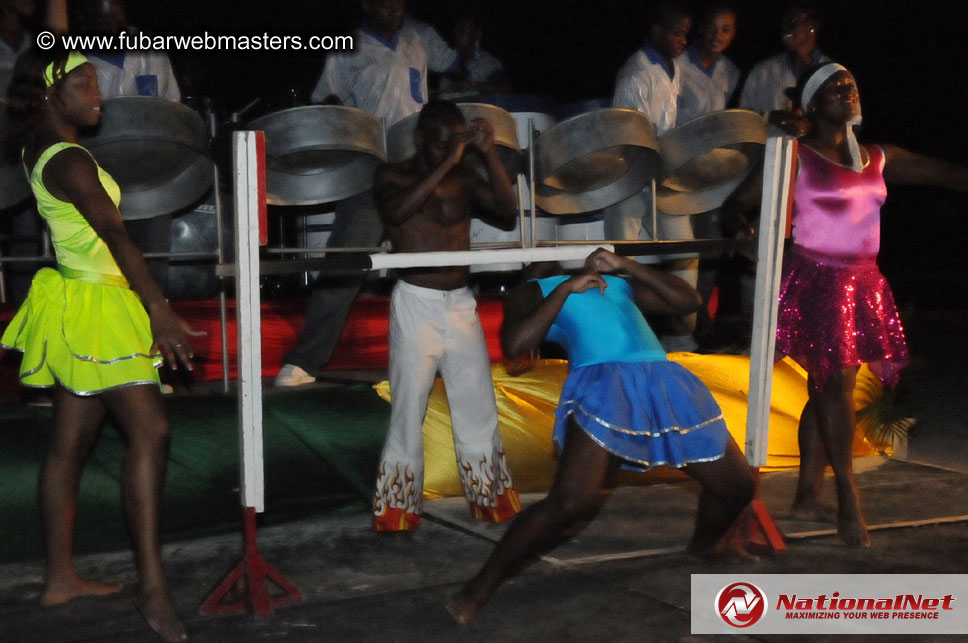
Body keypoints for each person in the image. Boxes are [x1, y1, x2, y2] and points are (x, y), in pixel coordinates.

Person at [722, 62, 968, 547]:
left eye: (851, 84)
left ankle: (807, 498)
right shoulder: (796, 155)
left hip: (863, 282)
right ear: (812, 105)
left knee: (826, 386)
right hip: (817, 278)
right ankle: (849, 499)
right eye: (834, 87)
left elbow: (947, 173)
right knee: (834, 387)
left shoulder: (879, 156)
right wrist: (741, 230)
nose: (846, 91)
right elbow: (735, 204)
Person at [1, 48, 201, 641]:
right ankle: (153, 588)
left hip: (74, 298)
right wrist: (158, 308)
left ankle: (60, 577)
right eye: (84, 83)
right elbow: (113, 232)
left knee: (69, 442)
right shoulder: (69, 161)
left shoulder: (42, 151)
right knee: (151, 432)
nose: (100, 93)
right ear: (49, 95)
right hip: (99, 304)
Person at [446, 247, 754, 623]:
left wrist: (625, 265)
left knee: (737, 484)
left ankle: (702, 549)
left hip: (662, 379)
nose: (550, 249)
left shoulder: (617, 283)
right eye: (540, 247)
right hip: (605, 387)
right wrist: (565, 291)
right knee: (572, 504)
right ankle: (475, 590)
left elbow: (687, 300)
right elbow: (515, 345)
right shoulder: (532, 289)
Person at [369, 99, 520, 531]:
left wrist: (488, 153)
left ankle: (489, 497)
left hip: (460, 304)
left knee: (477, 405)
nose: (447, 152)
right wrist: (447, 162)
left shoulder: (465, 178)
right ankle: (397, 509)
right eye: (438, 145)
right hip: (416, 301)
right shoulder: (390, 174)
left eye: (454, 144)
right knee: (408, 408)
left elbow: (509, 214)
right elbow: (397, 214)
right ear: (419, 139)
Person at [276, 0, 428, 387]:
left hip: (413, 167)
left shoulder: (414, 47)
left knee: (428, 260)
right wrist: (340, 113)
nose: (394, 8)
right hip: (370, 169)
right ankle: (306, 360)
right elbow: (327, 100)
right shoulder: (348, 47)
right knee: (346, 261)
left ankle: (429, 357)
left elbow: (421, 105)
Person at [607, 1, 699, 352]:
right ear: (657, 31)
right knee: (622, 259)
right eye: (677, 32)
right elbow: (631, 137)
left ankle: (681, 339)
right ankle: (621, 337)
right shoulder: (636, 73)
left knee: (685, 252)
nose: (683, 40)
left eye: (686, 34)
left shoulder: (670, 67)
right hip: (631, 179)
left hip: (663, 177)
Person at [673, 4, 740, 346]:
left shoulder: (731, 72)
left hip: (714, 175)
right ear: (701, 28)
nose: (718, 35)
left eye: (726, 29)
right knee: (683, 248)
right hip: (679, 172)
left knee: (711, 248)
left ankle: (701, 323)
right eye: (713, 27)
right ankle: (678, 326)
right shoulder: (678, 65)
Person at [739, 2, 830, 135]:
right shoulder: (763, 71)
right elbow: (742, 117)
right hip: (769, 154)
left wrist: (812, 126)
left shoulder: (834, 74)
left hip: (815, 155)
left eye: (793, 20)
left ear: (813, 26)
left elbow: (851, 128)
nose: (786, 27)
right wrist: (770, 117)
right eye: (784, 21)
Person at [439, 15, 510, 95]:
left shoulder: (487, 63)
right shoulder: (445, 58)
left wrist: (471, 86)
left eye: (463, 30)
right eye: (456, 30)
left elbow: (506, 89)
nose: (457, 35)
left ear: (478, 34)